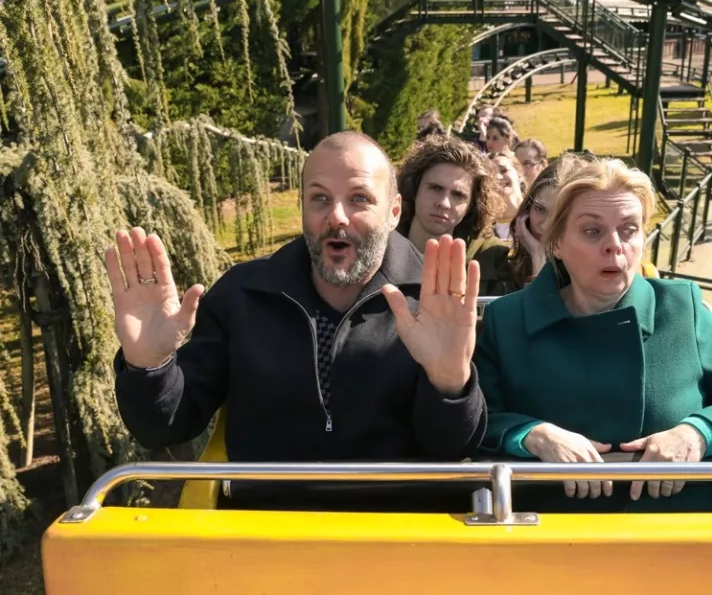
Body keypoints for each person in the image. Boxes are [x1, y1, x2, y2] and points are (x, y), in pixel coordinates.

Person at [107, 131, 487, 507]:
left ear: (394, 211)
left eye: (359, 199)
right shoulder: (243, 296)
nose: (337, 216)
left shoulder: (435, 300)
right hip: (266, 530)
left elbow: (452, 446)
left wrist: (450, 383)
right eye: (320, 198)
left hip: (398, 533)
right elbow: (165, 426)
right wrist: (149, 366)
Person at [474, 155, 712, 513]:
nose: (614, 245)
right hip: (550, 527)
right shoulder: (505, 319)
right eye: (592, 231)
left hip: (678, 530)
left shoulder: (680, 308)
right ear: (556, 244)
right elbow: (474, 420)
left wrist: (696, 434)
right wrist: (532, 435)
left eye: (629, 230)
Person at [396, 135, 514, 296]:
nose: (444, 203)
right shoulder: (379, 244)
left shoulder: (491, 257)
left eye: (458, 195)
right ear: (414, 188)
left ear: (471, 205)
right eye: (435, 188)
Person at [507, 156, 584, 290]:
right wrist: (538, 256)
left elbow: (541, 309)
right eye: (540, 209)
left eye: (559, 214)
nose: (546, 225)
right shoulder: (506, 264)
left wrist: (538, 257)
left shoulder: (593, 271)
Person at [488, 151, 526, 240]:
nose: (498, 177)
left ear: (520, 175)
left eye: (504, 170)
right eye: (491, 174)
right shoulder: (483, 226)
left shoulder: (536, 216)